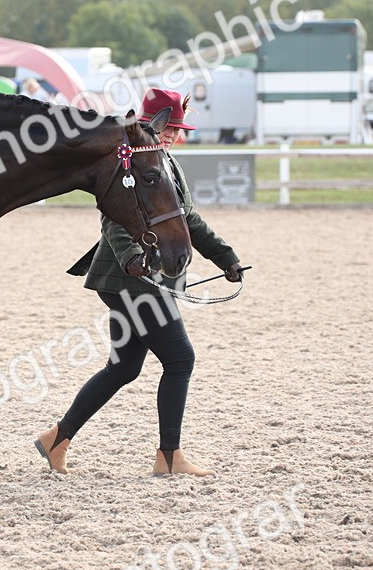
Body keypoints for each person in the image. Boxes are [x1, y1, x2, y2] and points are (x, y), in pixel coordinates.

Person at [34, 88, 245, 477]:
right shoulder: (131, 163)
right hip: (132, 280)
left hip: (130, 281)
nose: (170, 135)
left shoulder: (164, 162)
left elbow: (187, 221)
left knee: (123, 368)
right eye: (165, 128)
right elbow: (114, 219)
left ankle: (56, 439)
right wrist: (132, 257)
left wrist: (225, 256)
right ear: (148, 125)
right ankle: (168, 458)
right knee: (180, 360)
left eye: (176, 129)